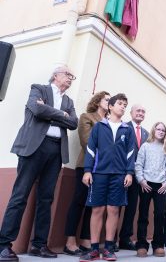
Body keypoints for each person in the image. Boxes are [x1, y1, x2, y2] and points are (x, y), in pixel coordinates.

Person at [0, 65, 78, 261]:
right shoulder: (39, 89)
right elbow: (36, 109)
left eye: (72, 77)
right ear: (55, 76)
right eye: (68, 75)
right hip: (34, 147)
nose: (70, 79)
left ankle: (39, 245)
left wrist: (50, 112)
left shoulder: (68, 101)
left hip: (56, 151)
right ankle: (3, 244)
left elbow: (74, 123)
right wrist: (62, 115)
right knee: (20, 195)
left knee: (46, 198)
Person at [80, 93, 135, 262]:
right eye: (120, 103)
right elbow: (90, 149)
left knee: (113, 210)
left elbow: (131, 153)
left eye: (125, 104)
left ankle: (109, 248)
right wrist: (87, 170)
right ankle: (94, 249)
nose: (123, 107)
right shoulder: (98, 127)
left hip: (119, 175)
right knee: (97, 210)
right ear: (110, 106)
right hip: (99, 174)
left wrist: (129, 173)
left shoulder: (128, 129)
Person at [64, 91, 110, 256]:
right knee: (79, 201)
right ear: (98, 101)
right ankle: (69, 241)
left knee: (94, 205)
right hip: (86, 166)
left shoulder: (112, 122)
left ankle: (85, 239)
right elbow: (87, 141)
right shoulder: (87, 117)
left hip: (104, 170)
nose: (109, 102)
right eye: (107, 99)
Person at [135, 122, 166, 257]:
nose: (161, 132)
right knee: (143, 214)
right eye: (158, 129)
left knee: (159, 215)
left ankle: (158, 245)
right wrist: (141, 180)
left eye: (163, 130)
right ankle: (141, 245)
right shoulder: (145, 146)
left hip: (161, 186)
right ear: (154, 130)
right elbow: (138, 164)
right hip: (146, 184)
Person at [118, 104, 149, 250]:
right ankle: (110, 240)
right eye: (138, 110)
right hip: (121, 173)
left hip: (137, 177)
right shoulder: (123, 127)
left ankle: (125, 238)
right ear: (131, 113)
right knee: (116, 206)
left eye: (143, 111)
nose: (141, 113)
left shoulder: (146, 134)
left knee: (131, 208)